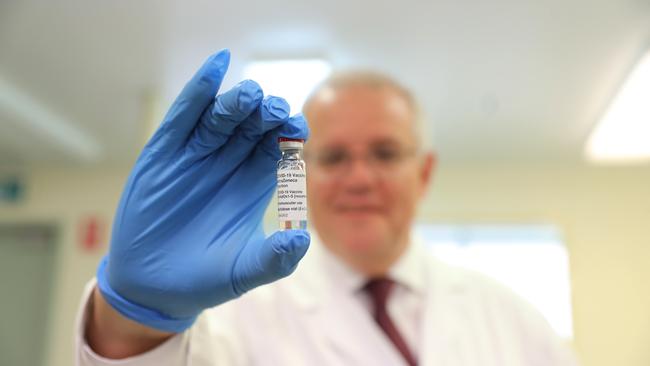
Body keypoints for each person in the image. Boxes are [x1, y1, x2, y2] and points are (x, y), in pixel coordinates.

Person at [75, 49, 577, 366]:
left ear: (423, 172)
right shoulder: (234, 318)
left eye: (384, 153)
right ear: (300, 174)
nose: (359, 178)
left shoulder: (516, 321)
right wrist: (134, 317)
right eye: (333, 156)